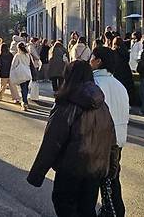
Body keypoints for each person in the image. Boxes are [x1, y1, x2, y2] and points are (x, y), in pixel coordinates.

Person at [27, 61, 115, 217]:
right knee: (87, 209)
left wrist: (37, 174)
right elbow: (110, 138)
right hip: (94, 169)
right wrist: (111, 167)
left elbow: (52, 142)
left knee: (65, 205)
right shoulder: (101, 104)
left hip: (71, 168)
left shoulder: (67, 104)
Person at [90, 47, 129, 217]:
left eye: (92, 57)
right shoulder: (119, 85)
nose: (89, 60)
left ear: (98, 61)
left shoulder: (94, 84)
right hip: (118, 141)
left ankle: (109, 213)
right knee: (112, 182)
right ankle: (116, 212)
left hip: (100, 141)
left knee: (92, 185)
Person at [9, 42, 33, 111]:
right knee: (26, 88)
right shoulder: (27, 55)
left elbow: (14, 65)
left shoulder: (17, 55)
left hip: (21, 74)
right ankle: (25, 102)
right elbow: (29, 63)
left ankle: (24, 102)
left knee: (23, 89)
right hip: (28, 73)